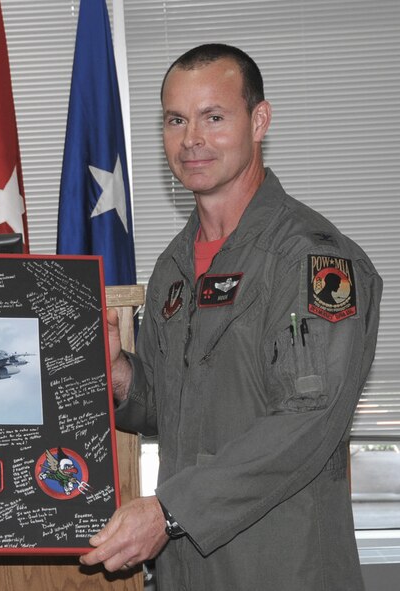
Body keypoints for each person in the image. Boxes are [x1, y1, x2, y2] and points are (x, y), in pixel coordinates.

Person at [80, 44, 381, 590]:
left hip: (281, 568)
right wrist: (121, 372)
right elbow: (179, 410)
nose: (191, 138)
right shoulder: (174, 265)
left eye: (213, 117)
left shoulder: (312, 258)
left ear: (259, 120)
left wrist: (169, 511)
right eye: (176, 119)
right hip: (186, 571)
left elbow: (307, 420)